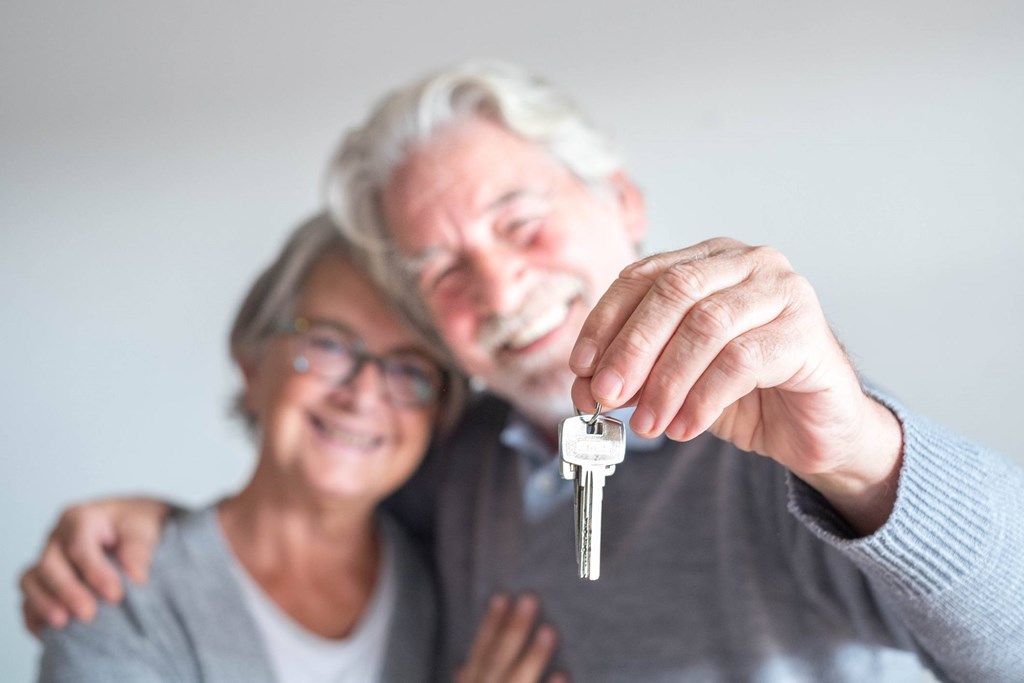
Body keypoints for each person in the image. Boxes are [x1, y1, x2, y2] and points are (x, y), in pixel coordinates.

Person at [22, 62, 1024, 681]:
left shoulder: (791, 434)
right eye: (441, 270)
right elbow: (298, 518)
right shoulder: (449, 470)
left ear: (621, 201)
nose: (500, 287)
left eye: (520, 221)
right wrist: (163, 525)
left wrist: (860, 453)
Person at [30, 214, 564, 683]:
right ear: (252, 362)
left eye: (409, 369)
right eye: (328, 343)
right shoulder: (117, 590)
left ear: (438, 413)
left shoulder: (443, 579)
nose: (362, 395)